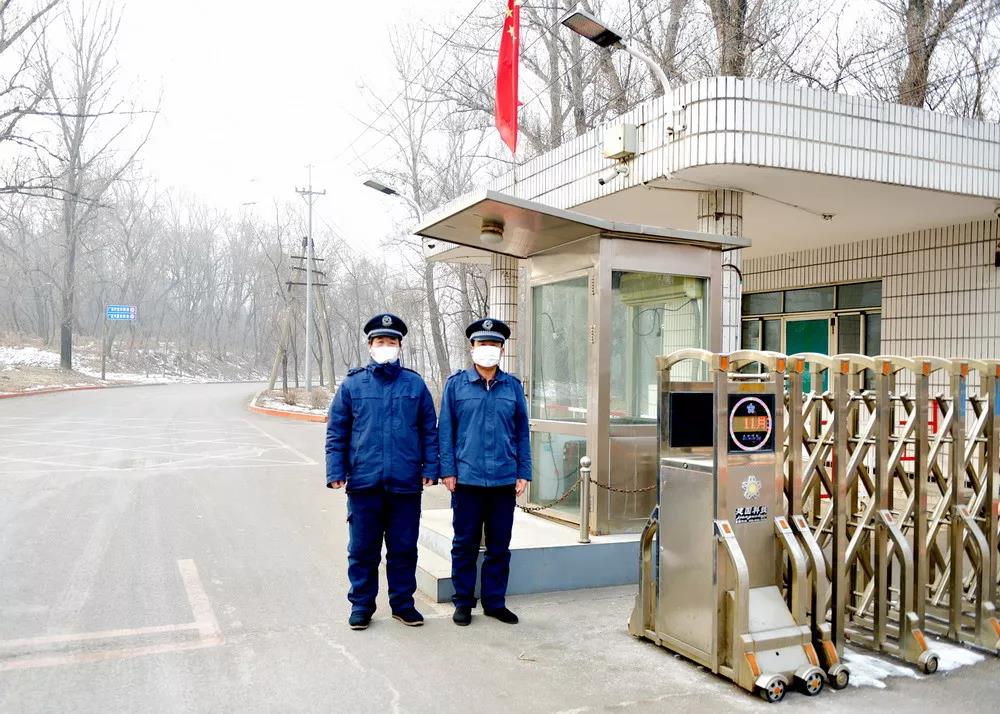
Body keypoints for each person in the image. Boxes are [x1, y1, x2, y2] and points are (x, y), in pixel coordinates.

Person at [325, 313, 439, 630]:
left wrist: (431, 467)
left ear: (400, 345)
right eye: (380, 341)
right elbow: (337, 431)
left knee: (404, 549)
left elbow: (428, 430)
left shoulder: (414, 384)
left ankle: (403, 605)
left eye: (391, 341)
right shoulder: (353, 384)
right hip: (364, 484)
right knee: (363, 551)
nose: (385, 346)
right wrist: (335, 470)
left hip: (405, 484)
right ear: (370, 345)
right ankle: (361, 606)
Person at [438, 317, 531, 626]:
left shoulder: (512, 387)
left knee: (499, 546)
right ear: (472, 347)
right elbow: (446, 432)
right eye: (483, 343)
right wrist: (448, 471)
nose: (488, 348)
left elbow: (521, 433)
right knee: (464, 544)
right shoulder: (456, 385)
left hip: (504, 480)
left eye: (494, 344)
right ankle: (463, 602)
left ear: (502, 349)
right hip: (467, 479)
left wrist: (523, 472)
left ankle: (494, 602)